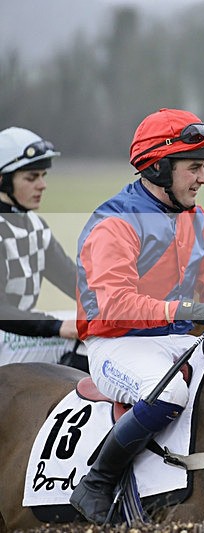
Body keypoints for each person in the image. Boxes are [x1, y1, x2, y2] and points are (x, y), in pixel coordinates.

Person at [69, 108, 204, 523]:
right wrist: (191, 309)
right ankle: (97, 481)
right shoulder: (114, 222)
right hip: (117, 343)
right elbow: (114, 302)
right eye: (195, 167)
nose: (203, 178)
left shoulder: (196, 218)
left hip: (177, 339)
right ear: (159, 166)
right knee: (168, 394)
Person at [0, 127, 85, 368]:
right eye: (31, 177)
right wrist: (58, 327)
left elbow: (74, 281)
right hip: (5, 335)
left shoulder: (35, 225)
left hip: (14, 334)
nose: (42, 185)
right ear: (2, 180)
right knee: (89, 338)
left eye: (43, 175)